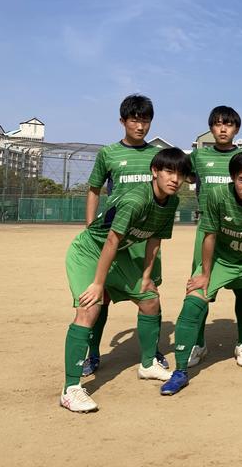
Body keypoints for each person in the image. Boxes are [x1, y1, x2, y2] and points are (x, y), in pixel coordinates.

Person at [60, 148, 192, 412]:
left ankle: (147, 365)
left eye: (180, 174)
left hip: (118, 255)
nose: (175, 179)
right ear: (155, 171)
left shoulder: (172, 202)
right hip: (90, 251)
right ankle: (70, 389)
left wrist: (146, 276)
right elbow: (111, 240)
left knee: (150, 299)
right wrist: (98, 284)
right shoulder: (135, 200)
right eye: (169, 171)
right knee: (90, 308)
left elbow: (155, 239)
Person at [161, 152, 242, 395]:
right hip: (223, 260)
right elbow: (209, 235)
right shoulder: (217, 195)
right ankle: (179, 371)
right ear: (232, 178)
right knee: (193, 301)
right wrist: (204, 273)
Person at [81, 94, 167, 375]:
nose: (140, 126)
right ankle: (92, 353)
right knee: (101, 295)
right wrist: (90, 225)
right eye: (134, 120)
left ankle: (151, 351)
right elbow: (94, 189)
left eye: (145, 120)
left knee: (149, 292)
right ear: (123, 121)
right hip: (115, 236)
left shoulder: (157, 156)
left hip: (145, 236)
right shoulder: (108, 153)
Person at [187, 105, 242, 368]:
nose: (222, 128)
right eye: (217, 124)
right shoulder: (199, 157)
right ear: (211, 128)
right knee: (200, 286)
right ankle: (199, 343)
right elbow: (184, 175)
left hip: (240, 228)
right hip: (207, 228)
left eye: (228, 124)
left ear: (236, 128)